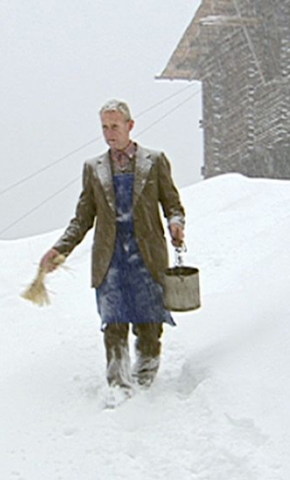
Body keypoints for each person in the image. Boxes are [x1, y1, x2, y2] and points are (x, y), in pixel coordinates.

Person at [40, 99, 185, 389]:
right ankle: (118, 385)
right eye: (105, 127)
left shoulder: (154, 161)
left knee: (149, 322)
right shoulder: (94, 168)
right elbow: (82, 218)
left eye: (115, 126)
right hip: (111, 258)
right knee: (114, 322)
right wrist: (60, 249)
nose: (109, 133)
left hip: (147, 256)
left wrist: (175, 223)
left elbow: (172, 204)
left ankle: (145, 380)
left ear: (130, 126)